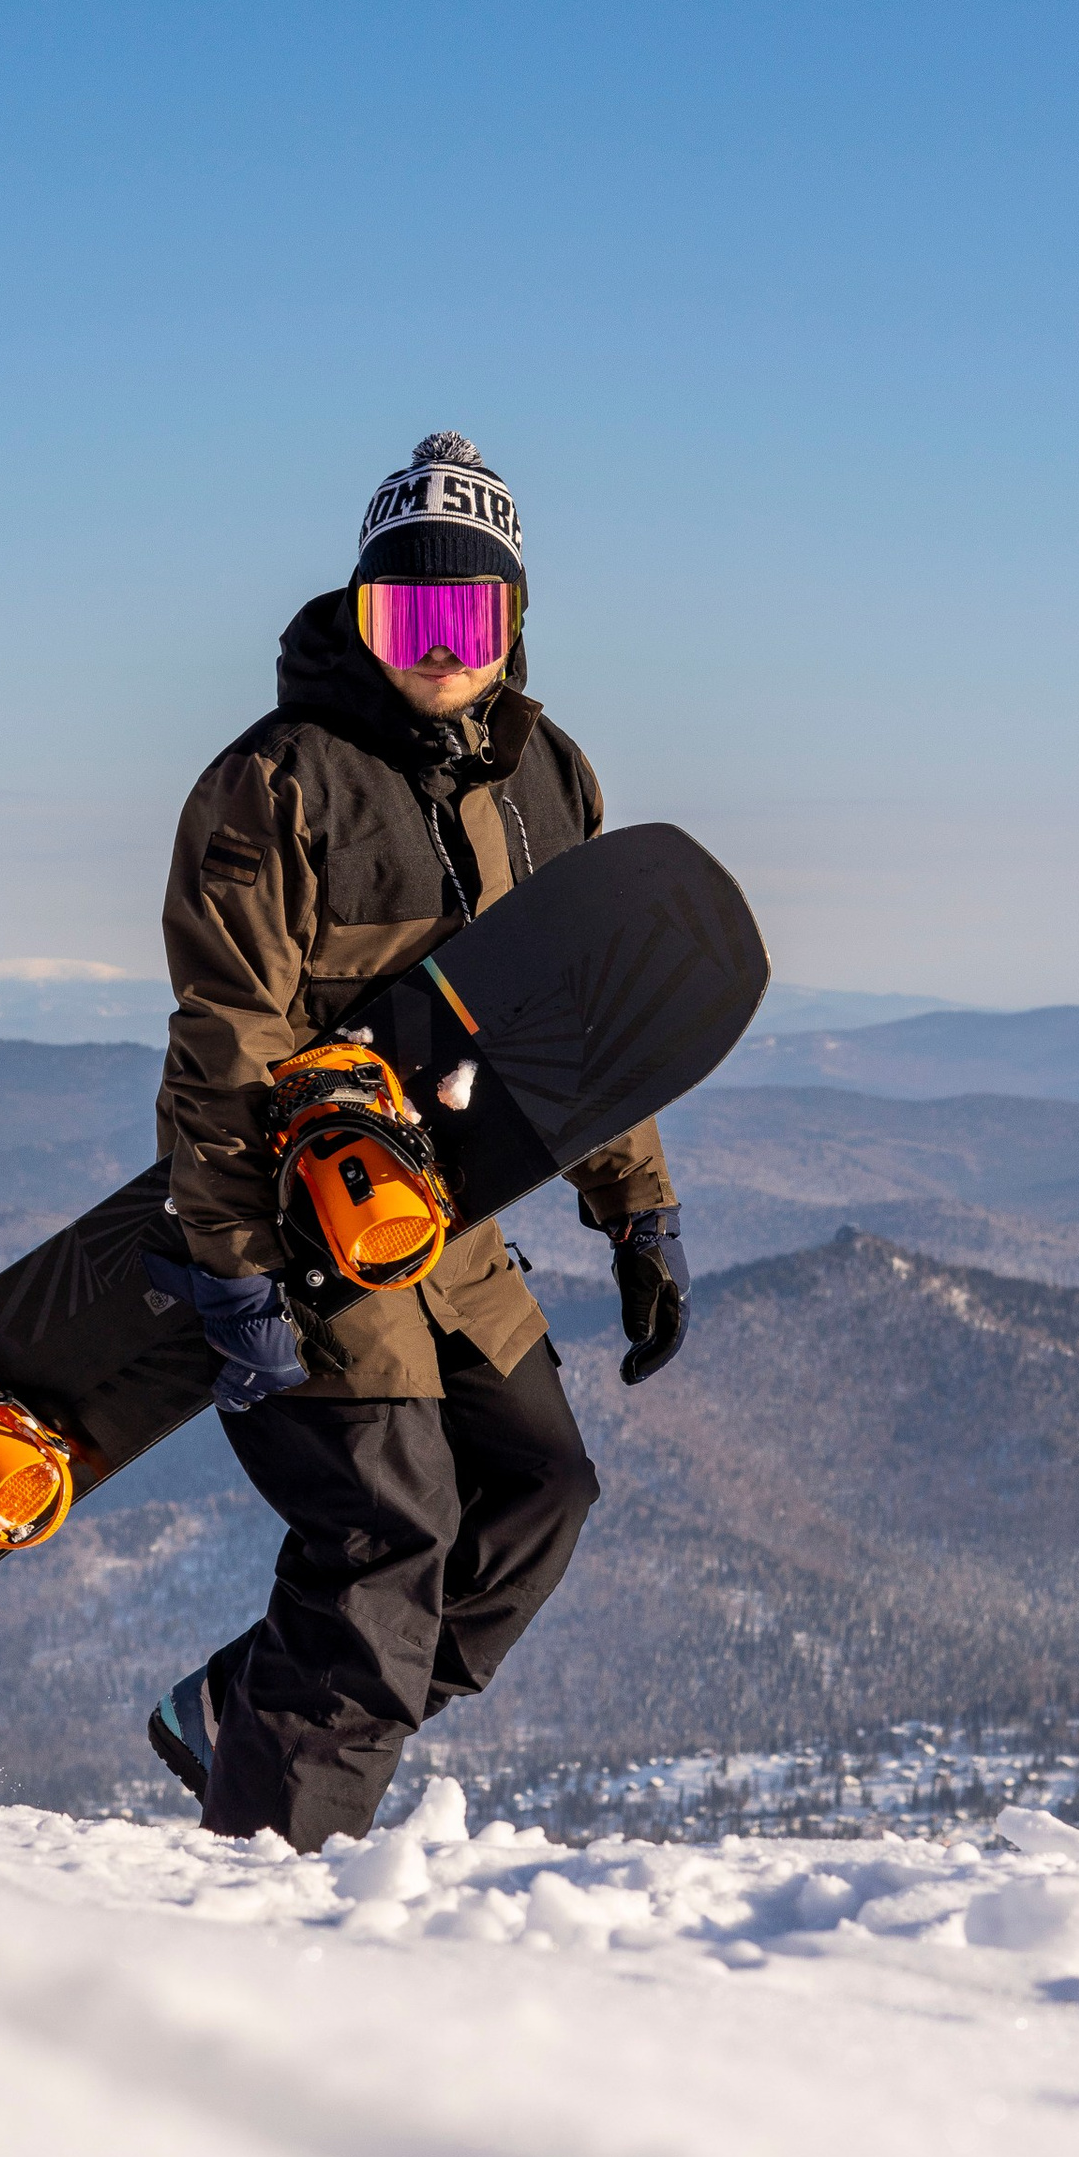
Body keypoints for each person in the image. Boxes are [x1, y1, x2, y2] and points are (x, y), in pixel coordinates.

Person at [145, 432, 688, 1849]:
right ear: (360, 615)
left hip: (455, 1221)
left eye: (469, 617)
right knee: (388, 1541)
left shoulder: (547, 778)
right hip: (304, 1220)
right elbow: (221, 1039)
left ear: (513, 623)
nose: (439, 651)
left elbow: (580, 1019)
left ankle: (262, 1714)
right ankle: (274, 1868)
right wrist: (231, 1265)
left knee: (542, 1488)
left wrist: (635, 1207)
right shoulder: (278, 781)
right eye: (407, 616)